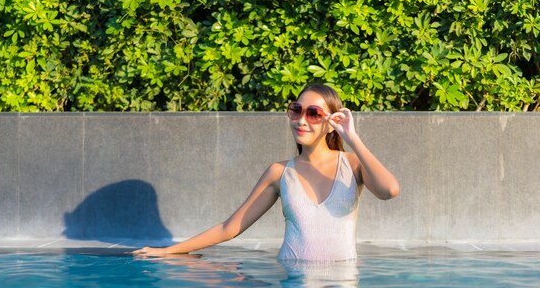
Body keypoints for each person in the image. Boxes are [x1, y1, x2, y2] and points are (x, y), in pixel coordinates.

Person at [133, 84, 399, 261]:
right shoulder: (280, 172)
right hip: (294, 282)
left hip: (341, 285)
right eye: (296, 110)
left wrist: (352, 137)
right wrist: (169, 251)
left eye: (314, 113)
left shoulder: (352, 165)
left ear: (332, 123)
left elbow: (389, 190)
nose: (302, 120)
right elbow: (230, 227)